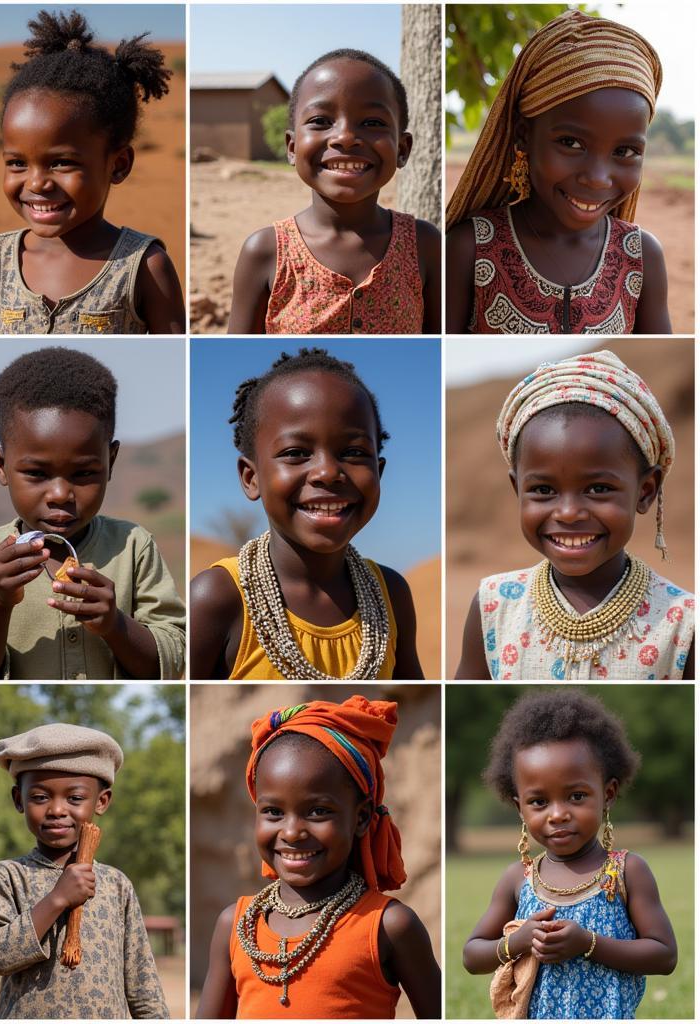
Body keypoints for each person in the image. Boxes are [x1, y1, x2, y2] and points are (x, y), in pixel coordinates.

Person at [0, 346, 185, 679]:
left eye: (83, 474)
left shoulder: (134, 546)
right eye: (37, 474)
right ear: (1, 465)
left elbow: (172, 657)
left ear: (110, 462)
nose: (60, 495)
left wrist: (114, 624)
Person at [455, 349, 694, 681]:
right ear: (517, 491)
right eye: (543, 490)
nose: (567, 513)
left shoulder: (682, 625)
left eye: (597, 489)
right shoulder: (493, 605)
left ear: (645, 491)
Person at [196, 696, 440, 1019]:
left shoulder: (388, 925)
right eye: (273, 812)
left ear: (362, 817)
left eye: (318, 811)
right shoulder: (236, 924)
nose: (293, 832)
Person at [190, 348, 422, 680]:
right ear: (250, 477)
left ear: (379, 472)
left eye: (354, 452)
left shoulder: (391, 594)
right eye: (296, 453)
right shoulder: (218, 596)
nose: (327, 472)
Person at [446, 11, 670, 334]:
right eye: (571, 143)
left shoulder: (642, 257)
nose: (597, 177)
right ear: (524, 134)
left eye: (624, 151)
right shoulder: (471, 248)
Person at [0, 10, 185, 334]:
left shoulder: (144, 266)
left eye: (61, 163)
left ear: (119, 164)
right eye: (17, 163)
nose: (37, 182)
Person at [463, 689, 677, 1019]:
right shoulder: (517, 879)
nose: (558, 814)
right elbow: (472, 955)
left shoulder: (626, 871)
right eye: (539, 802)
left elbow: (664, 956)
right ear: (519, 808)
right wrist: (516, 942)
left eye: (576, 796)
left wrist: (588, 944)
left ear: (608, 794)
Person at [227, 48, 440, 335]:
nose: (345, 138)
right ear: (292, 147)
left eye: (372, 123)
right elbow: (243, 357)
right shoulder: (266, 251)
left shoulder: (423, 244)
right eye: (321, 121)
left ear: (402, 149)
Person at [0, 722, 168, 1018]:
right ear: (19, 800)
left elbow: (143, 984)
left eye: (75, 798)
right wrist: (57, 898)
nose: (56, 810)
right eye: (40, 797)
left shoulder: (117, 885)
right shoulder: (6, 876)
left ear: (101, 801)